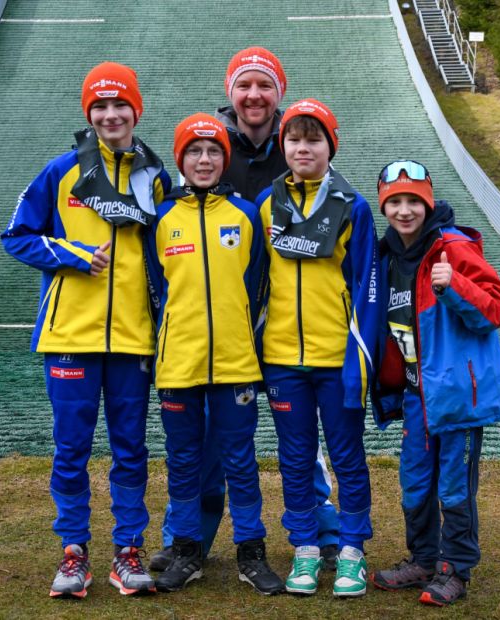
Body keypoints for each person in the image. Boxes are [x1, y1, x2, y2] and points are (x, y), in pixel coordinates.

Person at [151, 46, 341, 573]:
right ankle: (189, 539)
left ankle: (322, 531)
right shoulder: (208, 142)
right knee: (206, 440)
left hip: (284, 318)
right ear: (230, 92)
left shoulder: (300, 139)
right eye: (244, 86)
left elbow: (338, 206)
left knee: (302, 436)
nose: (254, 95)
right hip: (218, 317)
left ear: (278, 92)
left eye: (264, 85)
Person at [0, 62, 171, 600]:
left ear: (135, 110)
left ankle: (128, 551)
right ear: (88, 114)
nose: (110, 114)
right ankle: (73, 554)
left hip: (132, 338)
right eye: (99, 106)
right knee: (71, 449)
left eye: (120, 104)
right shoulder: (59, 171)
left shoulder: (155, 175)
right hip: (69, 336)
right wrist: (72, 255)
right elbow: (16, 235)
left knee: (130, 449)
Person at [145, 113, 284, 595]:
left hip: (235, 362)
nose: (204, 160)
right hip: (179, 364)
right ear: (180, 159)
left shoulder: (245, 215)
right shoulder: (161, 218)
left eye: (213, 152)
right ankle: (187, 551)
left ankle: (251, 552)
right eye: (194, 152)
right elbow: (155, 287)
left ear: (225, 160)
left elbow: (258, 284)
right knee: (182, 460)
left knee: (240, 460)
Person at [367, 160, 500, 606]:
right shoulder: (384, 255)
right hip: (415, 396)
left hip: (455, 397)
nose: (405, 211)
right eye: (395, 202)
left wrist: (454, 287)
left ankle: (455, 569)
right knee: (413, 483)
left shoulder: (453, 246)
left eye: (414, 201)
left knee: (453, 487)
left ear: (428, 203)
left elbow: (495, 311)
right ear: (384, 206)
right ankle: (423, 559)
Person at [257, 99, 381, 598]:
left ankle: (351, 551)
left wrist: (359, 359)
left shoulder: (354, 207)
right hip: (282, 359)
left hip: (337, 359)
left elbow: (367, 288)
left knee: (348, 457)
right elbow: (256, 284)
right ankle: (305, 549)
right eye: (293, 139)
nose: (302, 148)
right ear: (282, 146)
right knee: (295, 457)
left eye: (313, 139)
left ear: (332, 144)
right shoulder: (268, 205)